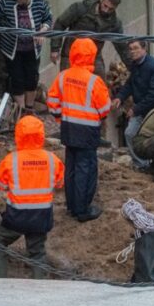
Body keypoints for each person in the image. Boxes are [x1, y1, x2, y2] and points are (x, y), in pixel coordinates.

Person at [46, 37, 112, 222]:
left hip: (68, 128)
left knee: (72, 167)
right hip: (88, 130)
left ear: (73, 53)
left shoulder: (63, 76)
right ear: (92, 56)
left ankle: (72, 206)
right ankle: (83, 210)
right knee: (86, 168)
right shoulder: (94, 81)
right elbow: (105, 108)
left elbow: (52, 103)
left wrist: (60, 117)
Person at [0, 115, 65, 279]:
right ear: (41, 135)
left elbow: (1, 184)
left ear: (18, 135)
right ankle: (39, 288)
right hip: (41, 216)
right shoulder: (52, 159)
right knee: (37, 253)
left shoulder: (11, 160)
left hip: (16, 216)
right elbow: (60, 183)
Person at [113, 41, 154, 166]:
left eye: (136, 48)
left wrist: (136, 109)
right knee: (130, 133)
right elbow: (130, 84)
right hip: (142, 109)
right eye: (130, 49)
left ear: (144, 49)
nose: (133, 51)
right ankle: (141, 164)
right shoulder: (136, 65)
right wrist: (120, 97)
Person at [50, 0, 129, 76]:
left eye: (111, 9)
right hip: (71, 54)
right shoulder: (81, 8)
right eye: (105, 6)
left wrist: (134, 67)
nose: (106, 10)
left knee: (100, 84)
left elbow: (122, 47)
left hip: (94, 57)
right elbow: (60, 23)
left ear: (115, 8)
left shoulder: (114, 23)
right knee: (69, 82)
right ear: (101, 0)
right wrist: (55, 48)